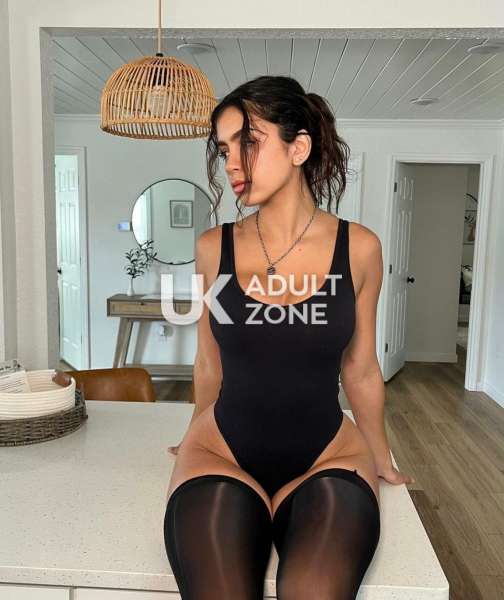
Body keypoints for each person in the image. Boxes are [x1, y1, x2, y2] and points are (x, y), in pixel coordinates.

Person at [163, 75, 414, 600]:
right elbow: (209, 361)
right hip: (221, 453)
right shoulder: (212, 248)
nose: (232, 163)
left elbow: (361, 367)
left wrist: (381, 454)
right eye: (224, 149)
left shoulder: (359, 248)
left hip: (328, 458)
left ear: (299, 148)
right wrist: (192, 431)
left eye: (248, 143)